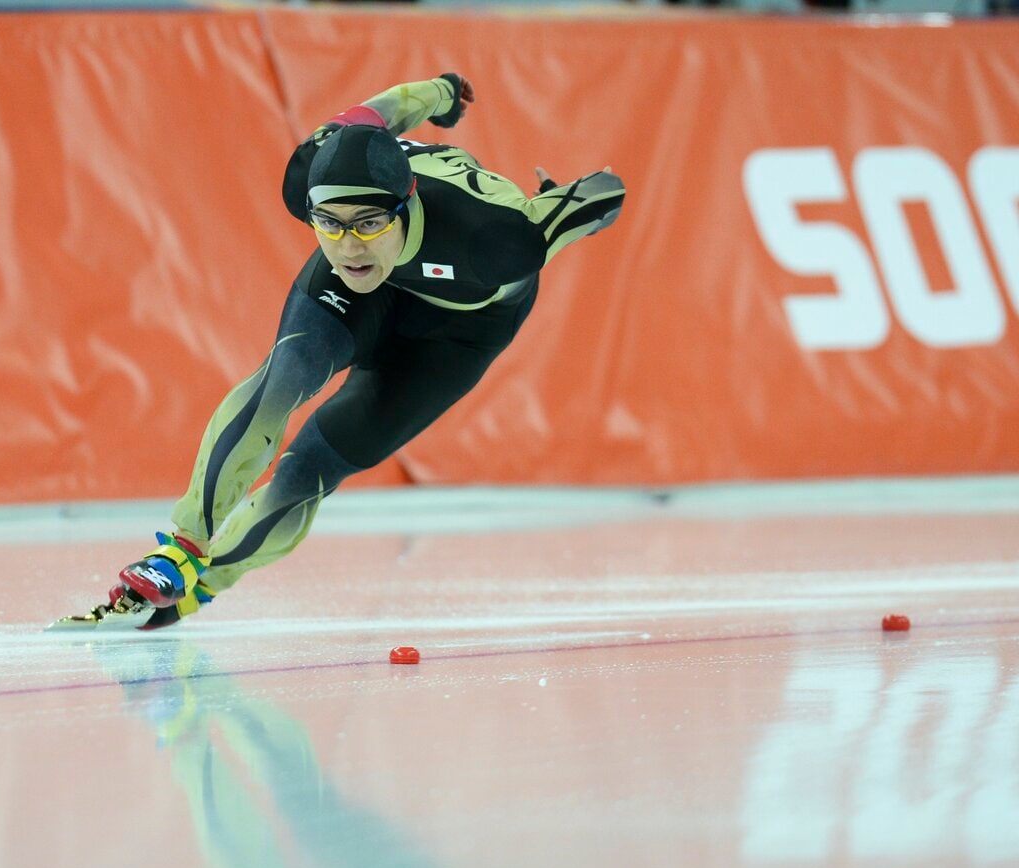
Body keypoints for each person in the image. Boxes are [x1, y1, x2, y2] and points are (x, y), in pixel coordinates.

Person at [54, 73, 625, 630]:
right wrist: (442, 92)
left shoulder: (498, 241)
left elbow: (605, 195)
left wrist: (560, 207)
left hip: (458, 330)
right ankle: (180, 552)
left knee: (311, 470)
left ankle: (206, 583)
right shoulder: (312, 171)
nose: (349, 245)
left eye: (370, 223)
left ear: (405, 205)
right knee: (285, 375)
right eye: (329, 223)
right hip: (370, 297)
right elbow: (383, 111)